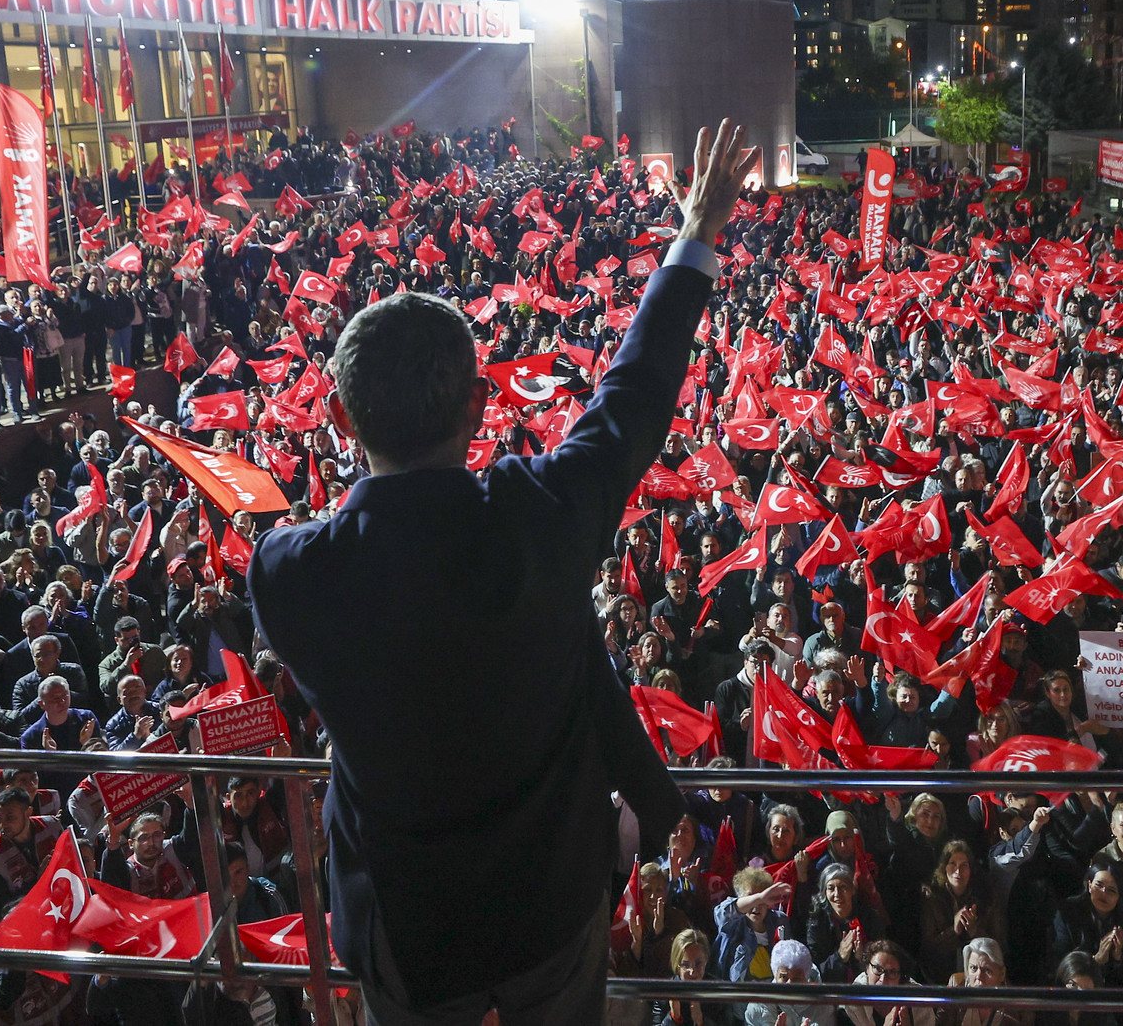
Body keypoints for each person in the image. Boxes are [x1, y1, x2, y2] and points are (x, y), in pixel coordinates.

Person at [250, 121, 758, 1024]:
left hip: (405, 937)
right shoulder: (540, 517)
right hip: (551, 911)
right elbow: (632, 400)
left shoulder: (291, 575)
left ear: (337, 414)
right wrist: (697, 232)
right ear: (483, 407)